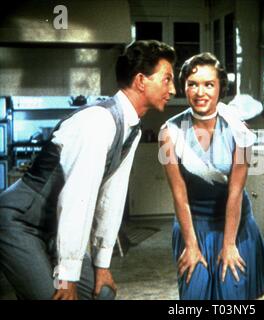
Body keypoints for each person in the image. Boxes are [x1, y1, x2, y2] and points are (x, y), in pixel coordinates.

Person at [0, 40, 176, 300]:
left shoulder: (131, 128)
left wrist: (102, 264)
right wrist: (66, 276)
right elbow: (75, 200)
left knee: (102, 293)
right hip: (19, 222)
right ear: (141, 80)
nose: (173, 89)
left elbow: (112, 198)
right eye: (167, 79)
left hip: (54, 228)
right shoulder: (97, 123)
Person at [159, 52, 264, 300]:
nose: (200, 92)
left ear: (220, 87)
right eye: (193, 84)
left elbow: (235, 191)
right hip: (194, 225)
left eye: (208, 84)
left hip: (234, 224)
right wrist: (191, 245)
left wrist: (229, 245)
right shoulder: (168, 133)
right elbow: (179, 195)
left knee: (232, 290)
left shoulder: (239, 130)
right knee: (195, 293)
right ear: (184, 87)